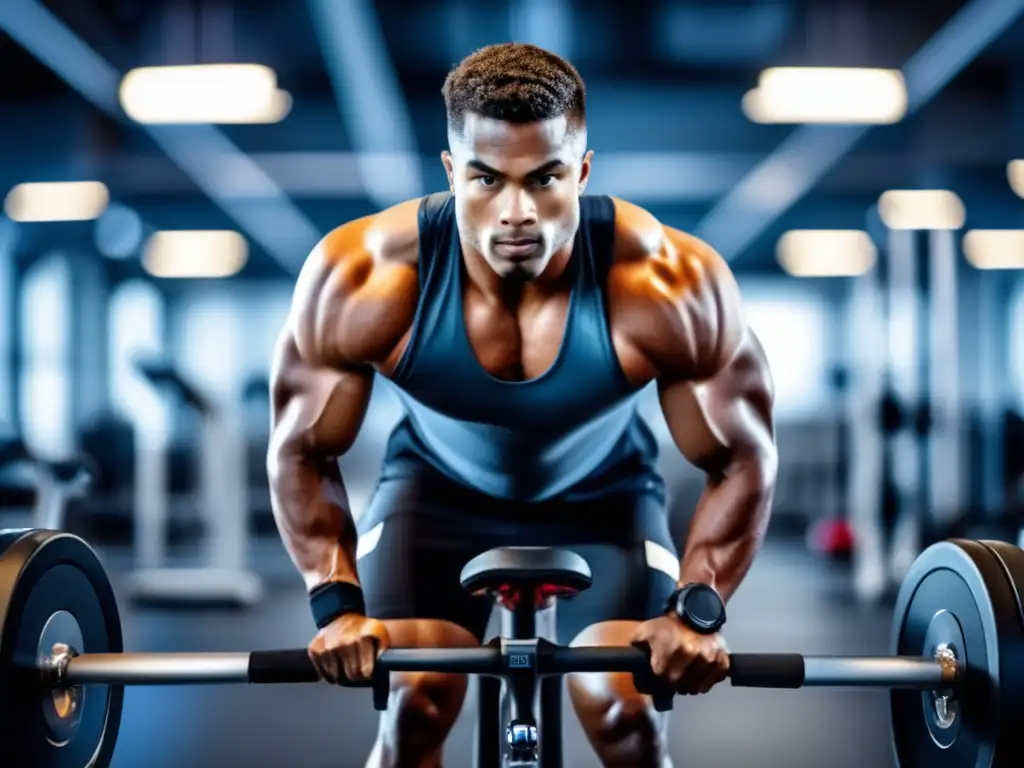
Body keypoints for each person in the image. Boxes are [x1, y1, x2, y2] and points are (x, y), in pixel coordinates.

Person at [268, 42, 777, 768]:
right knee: (415, 705)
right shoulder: (363, 279)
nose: (517, 213)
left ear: (584, 171)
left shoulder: (667, 286)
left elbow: (741, 456)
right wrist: (336, 603)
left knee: (629, 720)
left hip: (607, 498)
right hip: (432, 498)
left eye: (545, 179)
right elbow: (300, 448)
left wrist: (698, 610)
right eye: (485, 180)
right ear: (450, 172)